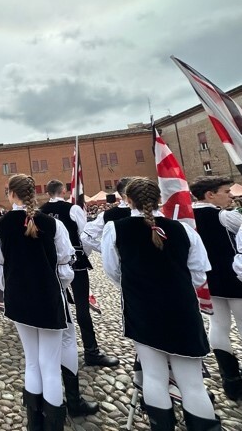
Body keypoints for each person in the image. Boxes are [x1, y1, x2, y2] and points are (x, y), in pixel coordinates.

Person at [101, 177, 220, 430]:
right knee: (193, 384)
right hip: (183, 308)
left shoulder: (116, 229)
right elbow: (199, 273)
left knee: (154, 377)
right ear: (159, 199)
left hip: (143, 308)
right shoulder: (183, 230)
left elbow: (112, 271)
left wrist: (136, 282)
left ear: (127, 200)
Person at [0, 174, 74, 430]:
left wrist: (13, 288)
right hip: (49, 297)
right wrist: (56, 287)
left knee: (31, 361)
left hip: (18, 298)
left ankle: (34, 424)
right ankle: (53, 425)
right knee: (50, 365)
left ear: (11, 194)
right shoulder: (53, 224)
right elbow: (65, 267)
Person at [40, 180, 119, 368]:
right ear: (63, 191)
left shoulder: (41, 211)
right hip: (74, 261)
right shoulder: (72, 209)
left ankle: (55, 352)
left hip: (50, 264)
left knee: (56, 306)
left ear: (48, 192)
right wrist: (83, 254)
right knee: (82, 307)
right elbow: (84, 234)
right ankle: (91, 351)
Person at [190, 176, 242, 401]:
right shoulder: (225, 216)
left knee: (218, 325)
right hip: (234, 277)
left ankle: (230, 379)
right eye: (226, 191)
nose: (230, 195)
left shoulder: (188, 217)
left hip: (209, 279)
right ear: (210, 194)